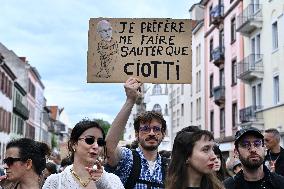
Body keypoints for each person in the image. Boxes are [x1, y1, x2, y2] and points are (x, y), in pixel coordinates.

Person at [105, 77, 169, 189]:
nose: (152, 133)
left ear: (163, 134)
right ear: (136, 134)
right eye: (145, 129)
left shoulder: (170, 167)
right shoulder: (128, 159)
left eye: (156, 129)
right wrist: (130, 100)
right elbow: (108, 148)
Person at [43, 119, 124, 189]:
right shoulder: (55, 182)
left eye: (100, 142)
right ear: (74, 143)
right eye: (89, 140)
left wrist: (104, 185)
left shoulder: (113, 180)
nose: (96, 146)